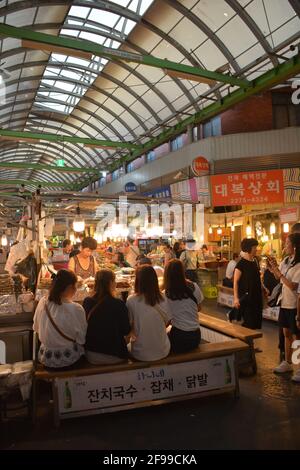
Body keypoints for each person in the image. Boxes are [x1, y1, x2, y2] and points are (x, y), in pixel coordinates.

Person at [33, 270, 87, 369]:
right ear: (70, 287)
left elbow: (36, 328)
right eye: (75, 286)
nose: (76, 289)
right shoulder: (76, 309)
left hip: (46, 359)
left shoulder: (43, 302)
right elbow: (81, 340)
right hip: (69, 361)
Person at [83, 270, 131, 365]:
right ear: (110, 283)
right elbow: (126, 330)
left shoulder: (87, 302)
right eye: (114, 280)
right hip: (116, 355)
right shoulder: (119, 304)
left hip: (91, 354)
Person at [269, 233, 300, 379]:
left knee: (297, 337)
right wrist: (274, 268)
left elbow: (293, 286)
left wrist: (280, 275)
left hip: (295, 304)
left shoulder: (299, 264)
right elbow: (278, 277)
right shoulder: (287, 260)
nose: (284, 246)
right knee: (286, 334)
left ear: (295, 246)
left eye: (287, 243)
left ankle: (299, 367)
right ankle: (287, 363)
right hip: (285, 303)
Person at [126, 265, 171, 361]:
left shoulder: (131, 300)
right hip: (163, 351)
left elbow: (128, 327)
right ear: (154, 280)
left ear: (137, 281)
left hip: (140, 353)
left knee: (128, 347)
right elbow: (167, 322)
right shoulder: (164, 298)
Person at [164, 259, 203, 353]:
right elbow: (199, 308)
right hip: (196, 336)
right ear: (182, 271)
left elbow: (167, 320)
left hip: (179, 336)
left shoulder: (166, 294)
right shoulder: (194, 286)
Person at [233, 238, 263, 329]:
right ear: (249, 248)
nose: (256, 249)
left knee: (255, 324)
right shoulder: (241, 264)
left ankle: (251, 343)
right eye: (254, 247)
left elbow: (257, 278)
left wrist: (263, 287)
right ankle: (247, 343)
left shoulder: (255, 262)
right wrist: (236, 298)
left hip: (256, 297)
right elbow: (235, 281)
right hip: (247, 298)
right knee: (248, 324)